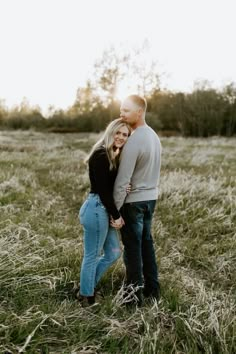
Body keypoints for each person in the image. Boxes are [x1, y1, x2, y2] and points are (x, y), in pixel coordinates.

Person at [112, 94, 162, 306]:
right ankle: (153, 290)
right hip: (151, 199)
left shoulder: (135, 140)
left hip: (133, 203)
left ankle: (132, 299)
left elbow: (123, 180)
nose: (121, 113)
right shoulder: (154, 136)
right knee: (146, 245)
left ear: (139, 112)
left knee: (133, 250)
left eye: (126, 110)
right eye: (121, 109)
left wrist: (113, 210)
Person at [78, 118, 131, 306]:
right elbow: (103, 190)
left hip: (102, 208)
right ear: (111, 132)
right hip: (97, 209)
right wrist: (116, 215)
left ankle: (87, 285)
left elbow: (111, 185)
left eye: (125, 135)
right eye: (118, 132)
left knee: (113, 252)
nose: (121, 137)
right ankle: (87, 297)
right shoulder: (100, 155)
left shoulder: (112, 155)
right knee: (92, 255)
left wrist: (125, 186)